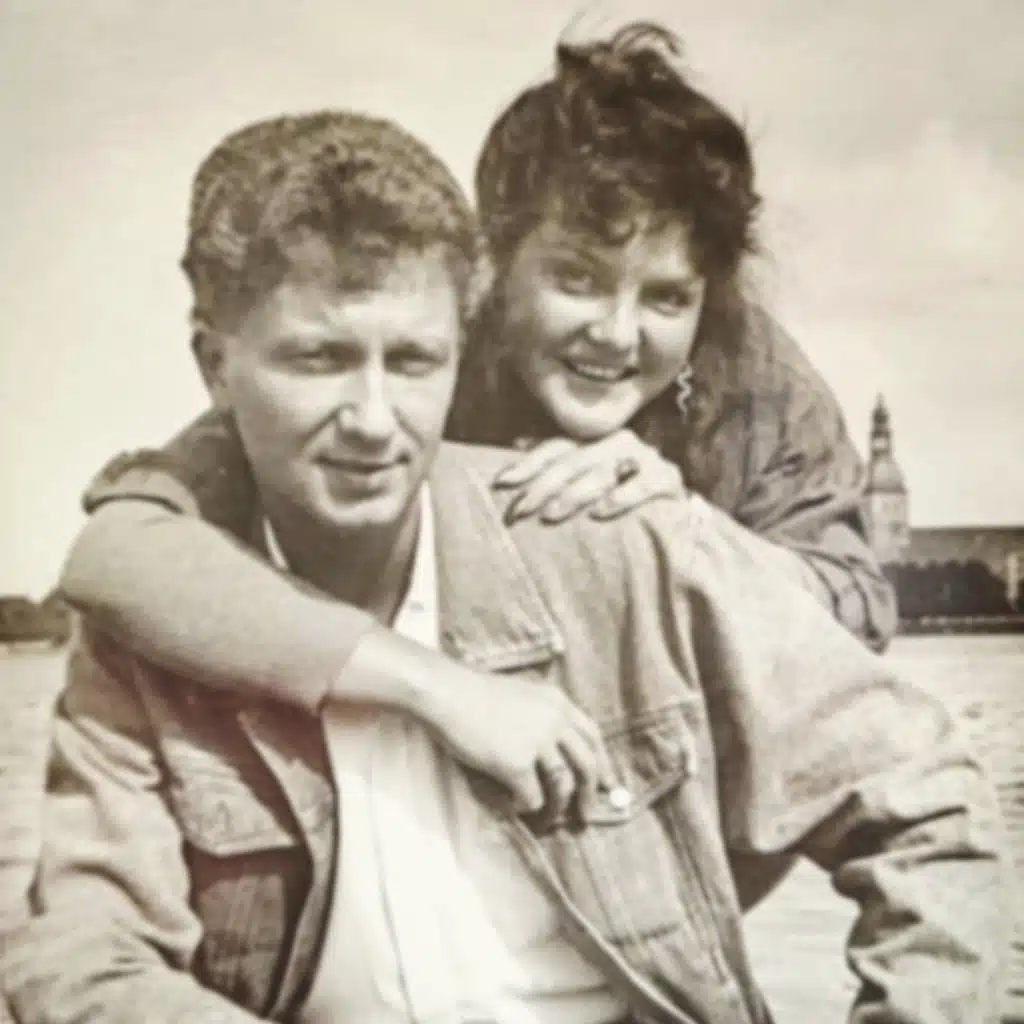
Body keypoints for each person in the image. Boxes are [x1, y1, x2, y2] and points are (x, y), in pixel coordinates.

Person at [2, 108, 1007, 1024]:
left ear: (455, 344)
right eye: (317, 360)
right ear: (215, 365)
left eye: (412, 362)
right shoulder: (152, 634)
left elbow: (925, 791)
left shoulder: (622, 532)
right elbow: (83, 961)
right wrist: (434, 686)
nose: (373, 420)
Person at [57, 27, 896, 835]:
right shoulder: (414, 359)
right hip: (484, 749)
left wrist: (686, 532)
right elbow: (121, 552)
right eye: (576, 278)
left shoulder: (750, 373)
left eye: (667, 296)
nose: (617, 333)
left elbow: (859, 615)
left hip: (701, 796)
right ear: (493, 265)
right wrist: (432, 687)